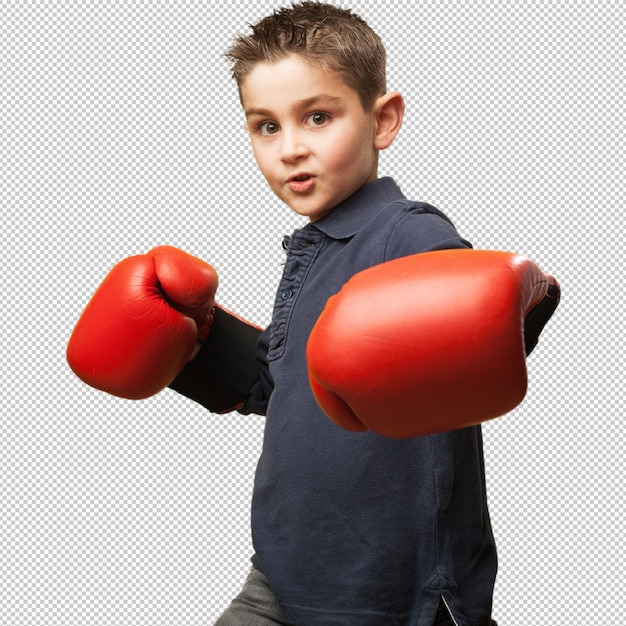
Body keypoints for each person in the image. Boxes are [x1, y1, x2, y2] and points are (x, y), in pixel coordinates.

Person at [67, 2, 559, 624]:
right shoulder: (314, 247)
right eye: (265, 126)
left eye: (318, 117)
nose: (291, 148)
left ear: (383, 121)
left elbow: (473, 321)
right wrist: (190, 341)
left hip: (393, 592)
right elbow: (284, 384)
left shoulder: (408, 235)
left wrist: (527, 306)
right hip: (283, 568)